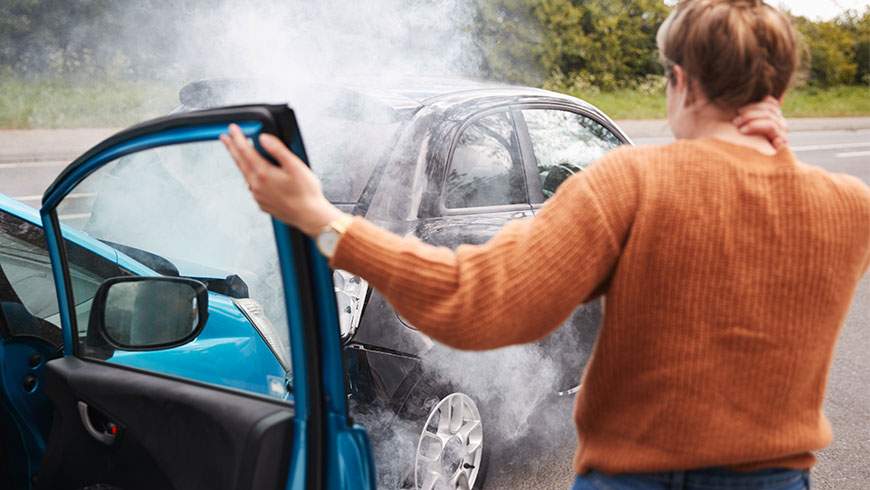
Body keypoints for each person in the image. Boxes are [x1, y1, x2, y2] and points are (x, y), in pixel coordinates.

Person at [222, 1, 870, 488]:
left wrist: (319, 218)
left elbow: (479, 305)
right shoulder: (847, 207)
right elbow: (760, 209)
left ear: (683, 82)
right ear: (779, 89)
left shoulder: (631, 182)